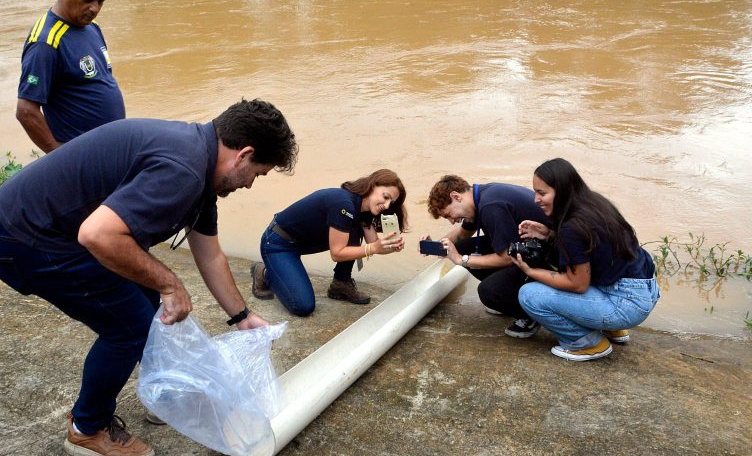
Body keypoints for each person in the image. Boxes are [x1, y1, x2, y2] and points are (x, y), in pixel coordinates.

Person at [0, 99, 297, 456]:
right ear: (244, 155)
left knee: (149, 309)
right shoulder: (183, 169)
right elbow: (99, 235)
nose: (250, 185)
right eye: (258, 174)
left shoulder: (199, 164)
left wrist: (242, 316)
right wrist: (170, 284)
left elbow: (210, 256)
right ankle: (87, 428)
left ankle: (164, 394)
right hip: (25, 238)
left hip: (49, 228)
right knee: (129, 328)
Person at [512, 158, 660, 362]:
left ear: (562, 190)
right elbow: (594, 249)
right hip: (644, 290)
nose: (536, 199)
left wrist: (530, 271)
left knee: (529, 295)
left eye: (542, 193)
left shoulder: (571, 227)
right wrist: (549, 234)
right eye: (535, 192)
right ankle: (612, 329)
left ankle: (588, 343)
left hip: (625, 304)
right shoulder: (595, 202)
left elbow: (577, 284)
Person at [250, 169, 407, 316]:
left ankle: (341, 283)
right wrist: (373, 248)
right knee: (303, 306)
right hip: (278, 243)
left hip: (305, 241)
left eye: (391, 202)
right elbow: (337, 253)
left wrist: (392, 246)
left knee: (355, 226)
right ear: (372, 185)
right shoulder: (343, 204)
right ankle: (264, 272)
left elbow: (374, 244)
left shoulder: (363, 210)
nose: (386, 206)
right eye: (385, 197)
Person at [16, 0, 125, 153]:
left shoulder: (92, 27)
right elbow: (26, 111)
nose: (95, 8)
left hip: (111, 148)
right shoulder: (46, 42)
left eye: (101, 1)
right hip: (83, 157)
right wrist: (60, 156)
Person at [424, 175, 552, 338]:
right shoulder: (478, 197)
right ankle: (509, 297)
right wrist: (436, 247)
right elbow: (462, 234)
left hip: (550, 258)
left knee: (488, 292)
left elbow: (506, 257)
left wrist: (461, 260)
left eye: (449, 214)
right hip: (529, 247)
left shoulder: (491, 206)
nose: (451, 221)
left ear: (456, 197)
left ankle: (530, 315)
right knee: (463, 247)